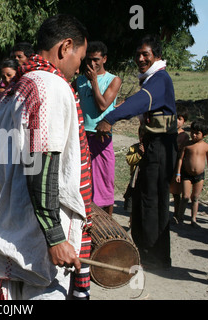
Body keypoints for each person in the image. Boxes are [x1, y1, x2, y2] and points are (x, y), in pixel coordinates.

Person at [0, 14, 91, 300]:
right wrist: (55, 237)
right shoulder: (49, 86)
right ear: (65, 47)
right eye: (80, 58)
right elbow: (40, 164)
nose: (78, 69)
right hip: (39, 240)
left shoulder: (10, 92)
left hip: (12, 227)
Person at [96, 35, 177, 269]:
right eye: (138, 54)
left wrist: (110, 118)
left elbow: (141, 101)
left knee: (153, 198)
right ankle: (146, 249)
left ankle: (154, 255)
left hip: (161, 146)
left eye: (146, 54)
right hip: (153, 145)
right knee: (144, 196)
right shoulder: (152, 79)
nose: (140, 59)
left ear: (157, 56)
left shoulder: (159, 79)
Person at [74, 41, 122, 216]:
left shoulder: (113, 80)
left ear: (105, 59)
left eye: (96, 60)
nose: (92, 64)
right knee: (84, 183)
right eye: (88, 60)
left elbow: (102, 106)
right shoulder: (79, 80)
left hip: (102, 138)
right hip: (83, 137)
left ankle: (109, 226)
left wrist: (94, 81)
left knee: (105, 185)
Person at [174, 118, 208, 228]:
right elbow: (180, 159)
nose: (194, 135)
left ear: (204, 135)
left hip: (199, 176)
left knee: (195, 198)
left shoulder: (206, 147)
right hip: (186, 174)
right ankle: (180, 217)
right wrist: (178, 173)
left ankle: (193, 219)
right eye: (192, 132)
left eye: (197, 133)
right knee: (185, 196)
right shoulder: (187, 145)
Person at [170, 105, 190, 222]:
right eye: (175, 117)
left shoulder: (184, 137)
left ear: (184, 121)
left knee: (176, 193)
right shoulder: (168, 133)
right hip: (167, 164)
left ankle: (176, 214)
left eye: (180, 119)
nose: (177, 121)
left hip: (177, 167)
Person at [123, 125, 145, 214]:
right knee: (132, 207)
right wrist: (139, 154)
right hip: (135, 182)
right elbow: (129, 160)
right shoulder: (134, 148)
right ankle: (132, 223)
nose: (142, 139)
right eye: (141, 136)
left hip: (146, 182)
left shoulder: (152, 149)